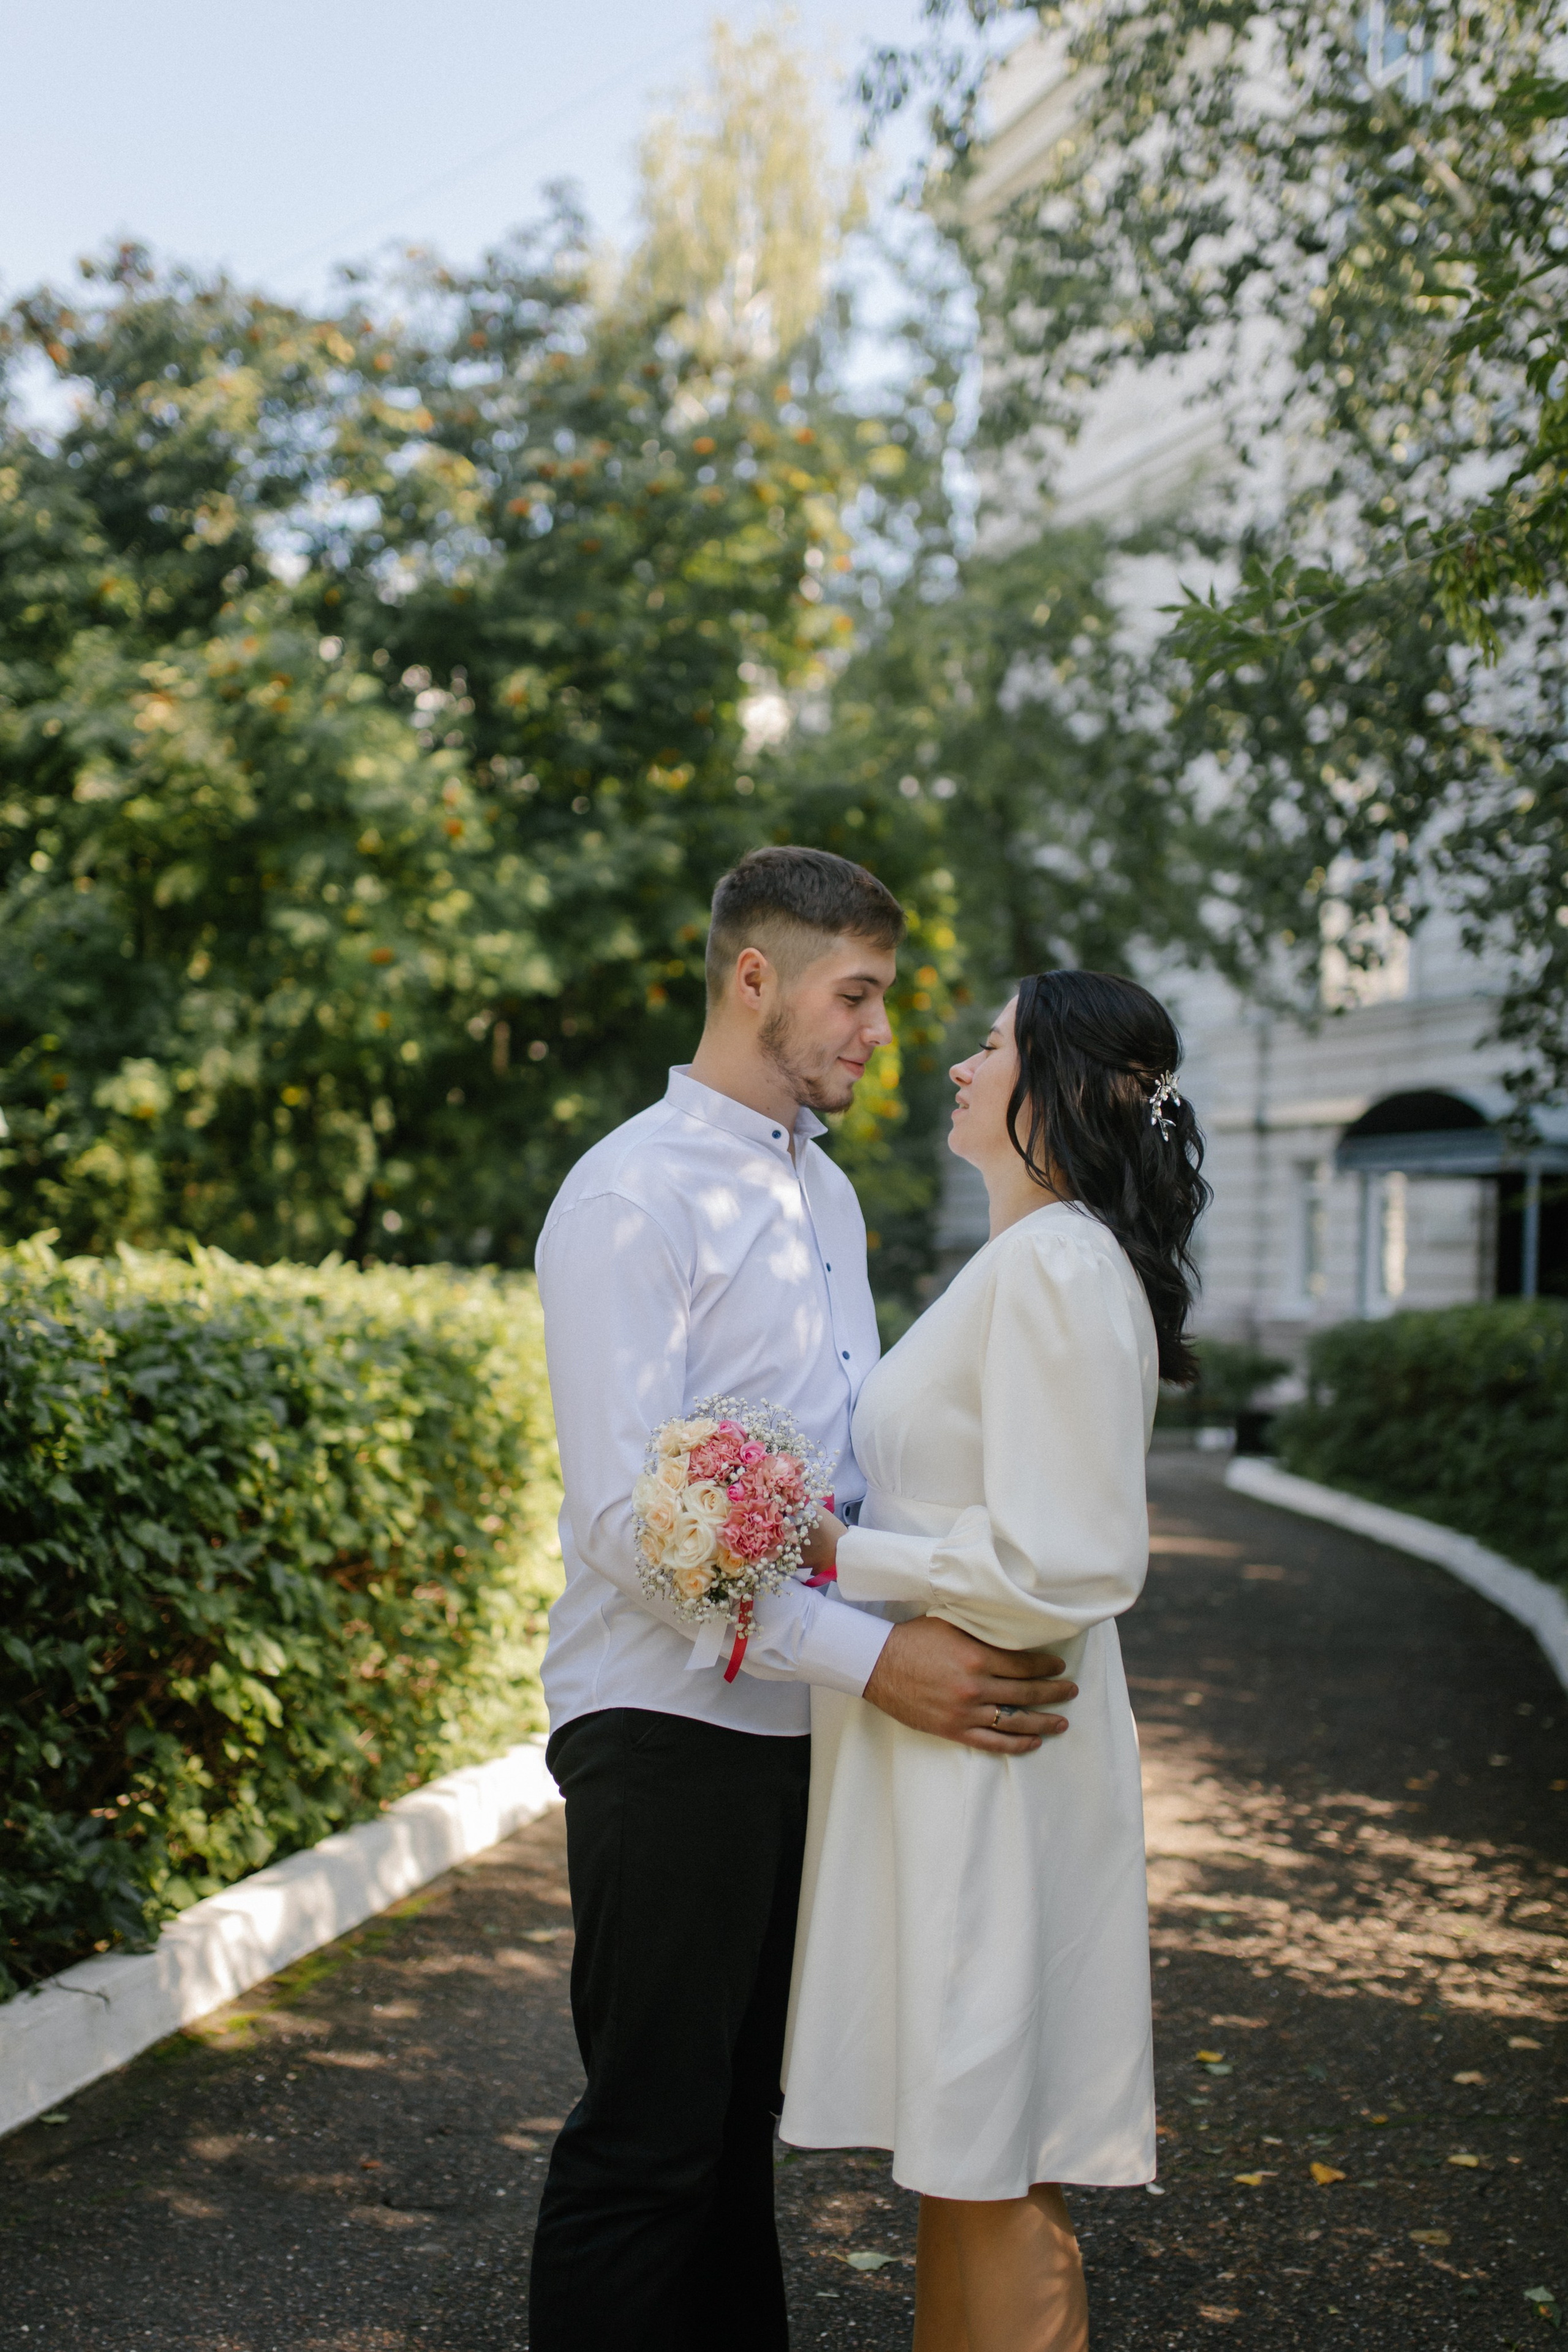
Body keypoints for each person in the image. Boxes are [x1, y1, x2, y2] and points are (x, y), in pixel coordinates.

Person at [527, 847, 1082, 2352]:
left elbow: (844, 1478)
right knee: (649, 2142)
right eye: (856, 995)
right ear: (752, 979)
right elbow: (617, 1526)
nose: (879, 1031)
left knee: (732, 2139)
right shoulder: (627, 1198)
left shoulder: (822, 1196)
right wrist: (873, 1657)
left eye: (887, 999)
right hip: (663, 1722)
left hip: (803, 1727)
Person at [781, 970, 1210, 2352]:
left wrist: (840, 1559)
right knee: (963, 2154)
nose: (956, 1066)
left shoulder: (1061, 1263)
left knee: (994, 2150)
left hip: (995, 1758)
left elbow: (1073, 1560)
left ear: (1060, 1089)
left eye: (989, 1045)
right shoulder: (1027, 1259)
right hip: (955, 1759)